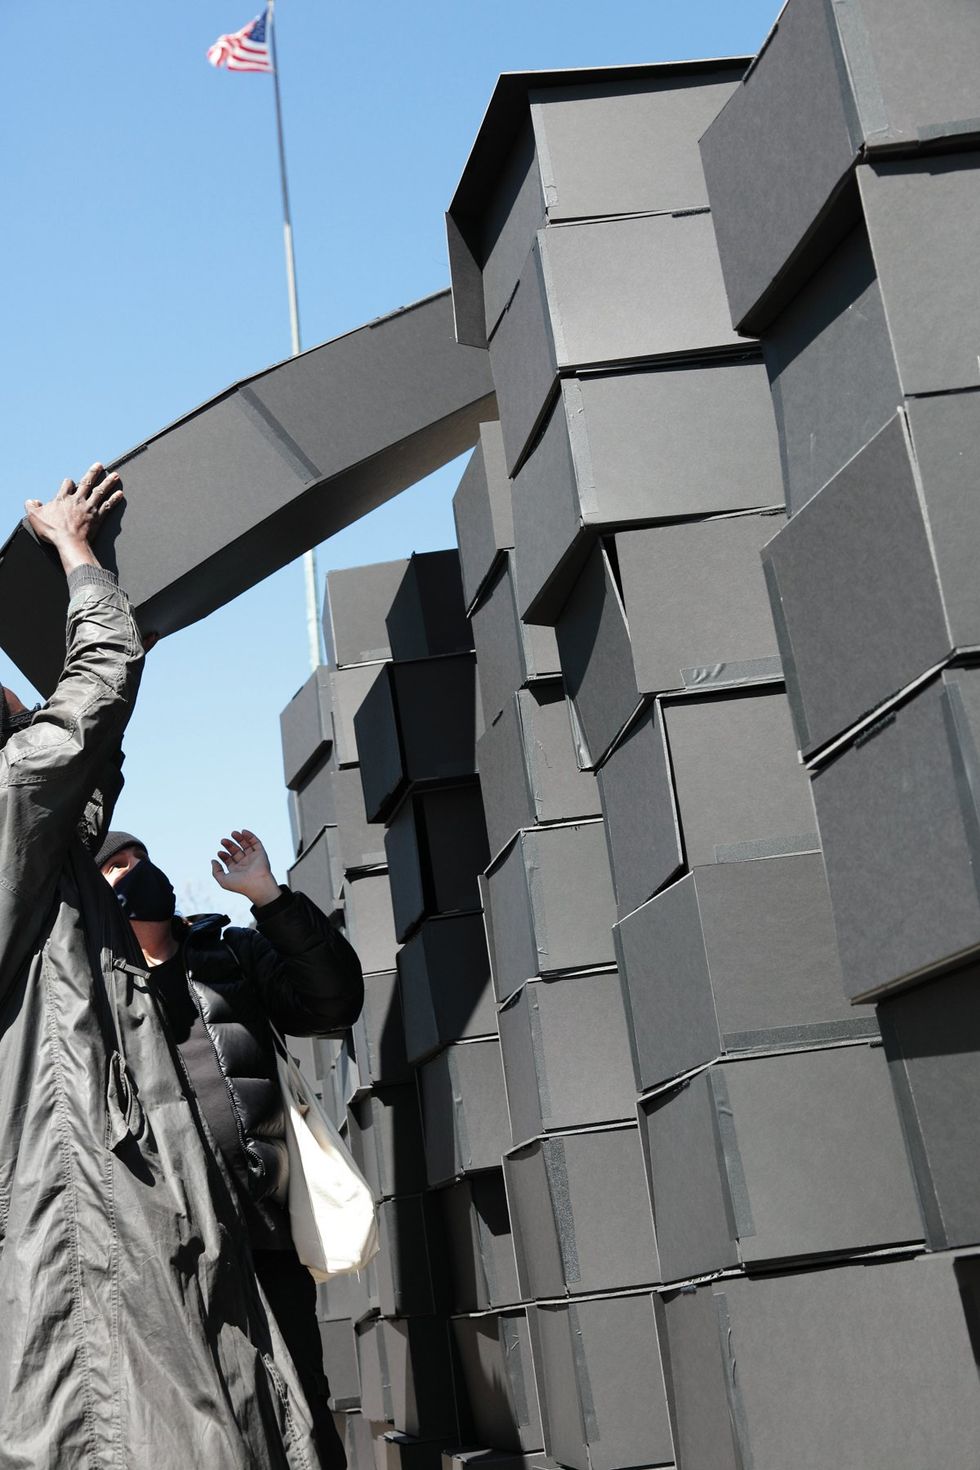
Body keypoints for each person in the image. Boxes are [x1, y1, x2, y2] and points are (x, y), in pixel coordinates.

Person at [0, 467, 341, 1468]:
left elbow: (87, 768)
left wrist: (99, 567)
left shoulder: (35, 841)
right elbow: (93, 702)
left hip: (112, 1174)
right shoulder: (9, 806)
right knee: (143, 1416)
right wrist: (76, 561)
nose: (17, 701)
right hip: (88, 1187)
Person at [95, 824, 362, 1468]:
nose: (126, 875)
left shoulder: (229, 953)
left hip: (262, 1236)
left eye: (134, 861)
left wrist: (267, 897)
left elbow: (333, 1002)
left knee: (303, 1410)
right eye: (109, 870)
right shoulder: (90, 990)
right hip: (163, 1255)